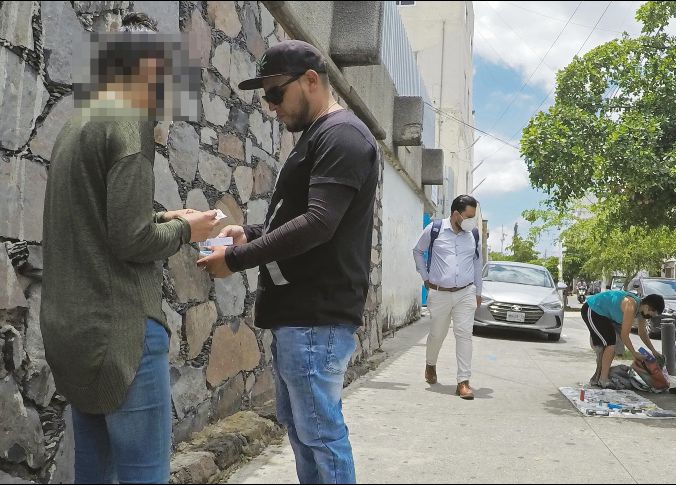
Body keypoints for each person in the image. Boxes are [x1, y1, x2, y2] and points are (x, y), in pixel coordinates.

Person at [40, 13, 217, 484]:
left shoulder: (77, 125)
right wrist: (188, 233)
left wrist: (169, 217)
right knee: (145, 475)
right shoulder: (128, 126)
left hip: (71, 332)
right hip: (122, 334)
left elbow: (95, 223)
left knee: (93, 474)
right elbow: (130, 239)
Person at [197, 40, 377, 484]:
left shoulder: (342, 136)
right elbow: (302, 220)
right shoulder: (318, 138)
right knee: (303, 432)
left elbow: (319, 224)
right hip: (299, 317)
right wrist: (251, 233)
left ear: (311, 80)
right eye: (266, 98)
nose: (271, 106)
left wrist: (236, 258)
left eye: (276, 93)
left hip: (316, 317)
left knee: (320, 435)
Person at [412, 195, 482, 400]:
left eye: (474, 216)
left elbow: (478, 263)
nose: (472, 220)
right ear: (455, 214)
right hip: (439, 293)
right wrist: (425, 277)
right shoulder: (434, 230)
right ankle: (430, 364)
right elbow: (417, 251)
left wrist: (478, 291)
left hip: (465, 292)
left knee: (464, 335)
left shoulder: (473, 234)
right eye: (468, 216)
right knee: (437, 334)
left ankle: (463, 381)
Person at [581, 289, 665, 388]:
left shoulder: (641, 312)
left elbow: (642, 333)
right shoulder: (630, 305)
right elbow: (625, 335)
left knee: (612, 346)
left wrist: (653, 351)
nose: (650, 317)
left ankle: (600, 378)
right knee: (609, 344)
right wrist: (634, 353)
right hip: (593, 309)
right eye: (652, 314)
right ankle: (602, 379)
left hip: (606, 316)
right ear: (647, 307)